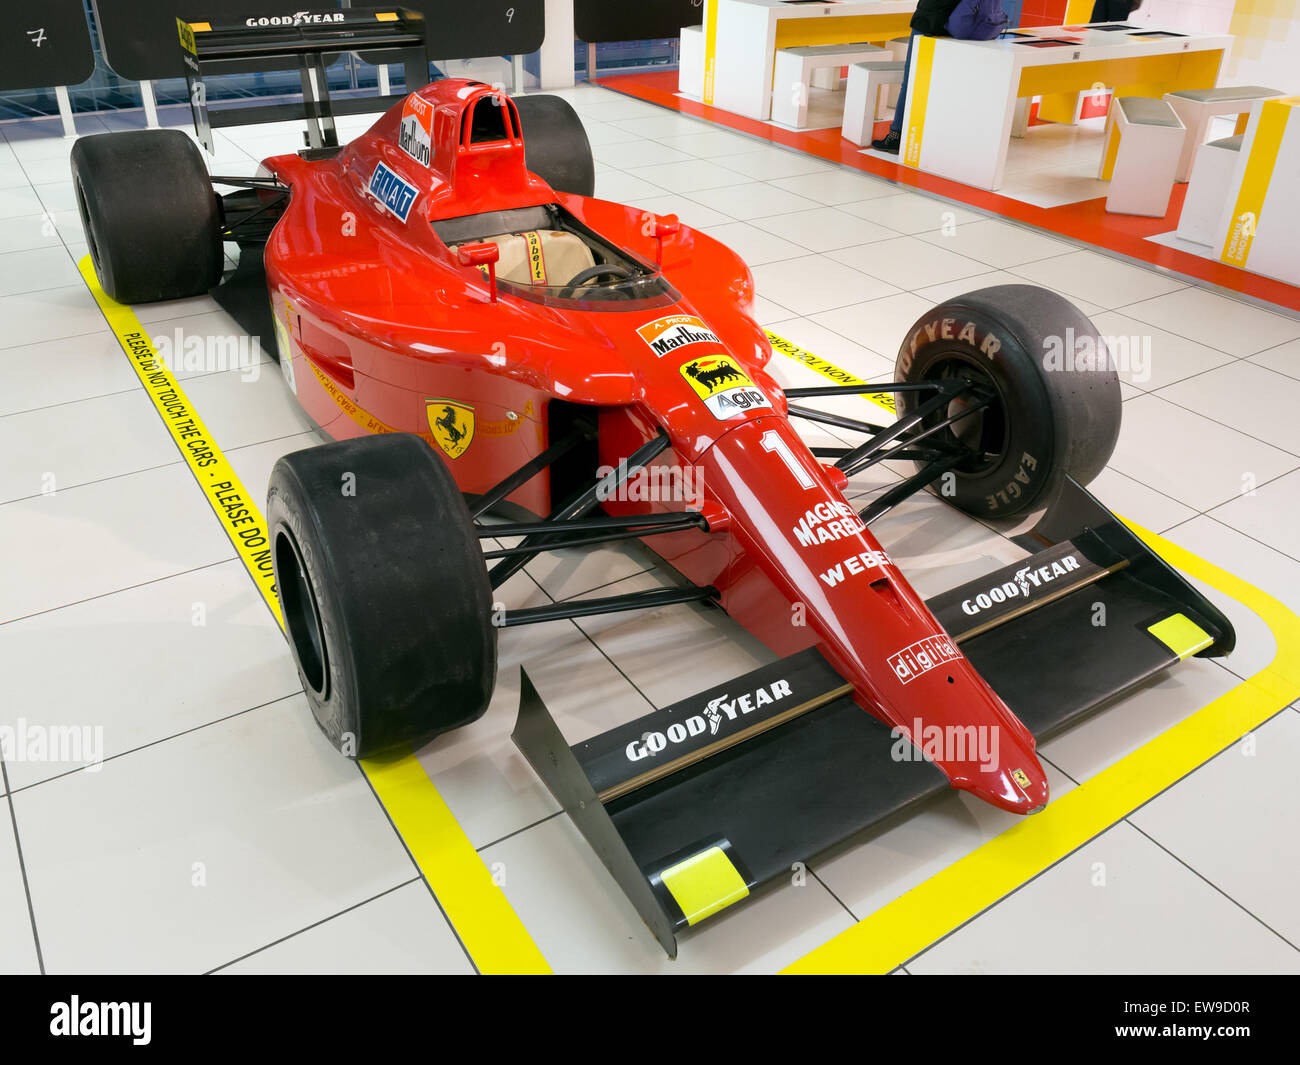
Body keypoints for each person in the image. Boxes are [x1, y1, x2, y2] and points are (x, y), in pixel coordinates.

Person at [871, 0, 965, 154]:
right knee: (938, 85)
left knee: (910, 82)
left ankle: (896, 135)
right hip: (956, 28)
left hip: (929, 22)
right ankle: (928, 137)